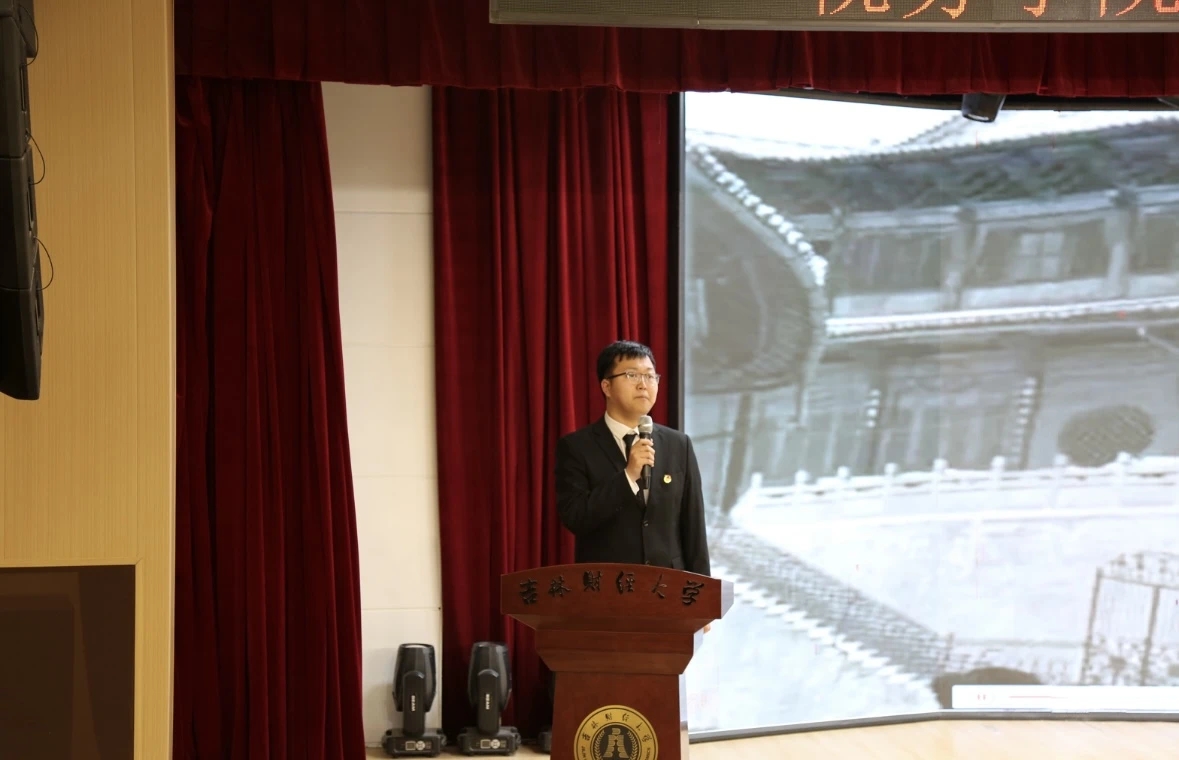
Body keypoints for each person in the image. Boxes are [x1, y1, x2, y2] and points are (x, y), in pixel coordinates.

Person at [555, 340, 710, 577]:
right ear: (607, 386)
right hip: (608, 586)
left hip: (668, 586)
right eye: (632, 375)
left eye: (650, 376)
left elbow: (694, 526)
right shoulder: (577, 447)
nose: (643, 384)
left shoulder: (679, 444)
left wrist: (704, 592)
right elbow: (576, 518)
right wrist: (628, 477)